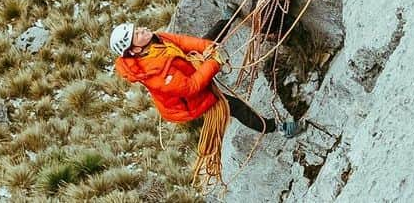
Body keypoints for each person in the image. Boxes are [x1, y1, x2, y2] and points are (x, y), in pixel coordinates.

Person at [110, 23, 301, 137]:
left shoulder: (156, 39)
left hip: (188, 70)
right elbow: (191, 87)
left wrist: (209, 48)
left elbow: (184, 43)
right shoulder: (154, 75)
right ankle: (278, 129)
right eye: (137, 34)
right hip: (191, 101)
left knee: (206, 42)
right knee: (234, 107)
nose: (142, 30)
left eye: (137, 28)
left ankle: (227, 19)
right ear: (134, 50)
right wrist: (213, 63)